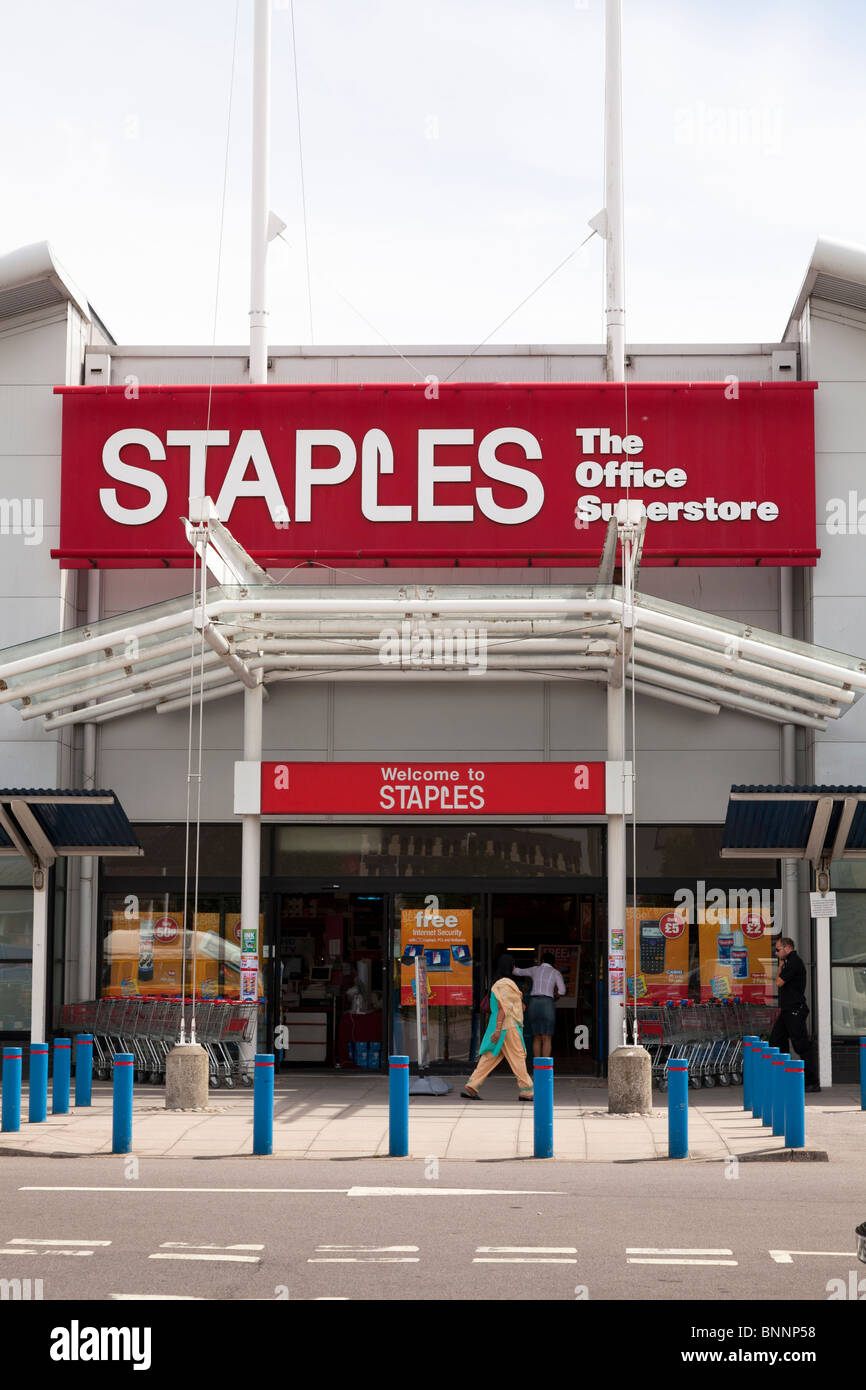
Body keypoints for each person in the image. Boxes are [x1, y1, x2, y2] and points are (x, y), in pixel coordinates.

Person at [461, 954, 533, 1101]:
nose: (514, 968)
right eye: (513, 965)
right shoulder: (505, 983)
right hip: (508, 1027)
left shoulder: (499, 983)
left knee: (490, 1057)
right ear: (510, 966)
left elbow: (512, 1005)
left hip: (498, 1025)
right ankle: (527, 1090)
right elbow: (503, 1009)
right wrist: (499, 1030)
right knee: (518, 1057)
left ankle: (473, 1084)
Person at [769, 936, 820, 1091]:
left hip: (794, 1010)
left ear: (787, 948)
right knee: (776, 1041)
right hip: (787, 1011)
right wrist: (781, 964)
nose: (776, 953)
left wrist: (780, 965)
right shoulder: (788, 963)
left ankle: (812, 1082)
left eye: (778, 949)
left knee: (801, 1045)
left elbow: (778, 982)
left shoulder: (794, 962)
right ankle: (784, 1076)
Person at [513, 951, 566, 1058]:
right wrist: (555, 995)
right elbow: (562, 991)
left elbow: (517, 971)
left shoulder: (535, 969)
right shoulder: (555, 972)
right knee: (547, 1037)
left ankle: (536, 1066)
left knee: (536, 1036)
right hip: (547, 1003)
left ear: (542, 961)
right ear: (553, 963)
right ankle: (544, 1067)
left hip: (534, 1003)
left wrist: (512, 965)